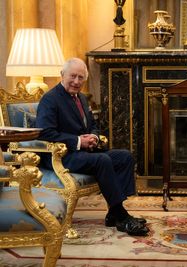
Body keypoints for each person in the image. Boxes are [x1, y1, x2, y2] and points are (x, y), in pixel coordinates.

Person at [36, 57, 149, 236]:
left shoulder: (81, 97)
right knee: (102, 159)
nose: (76, 81)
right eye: (73, 76)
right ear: (62, 75)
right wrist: (79, 141)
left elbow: (92, 126)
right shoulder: (50, 99)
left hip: (84, 152)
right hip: (62, 155)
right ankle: (121, 216)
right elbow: (46, 133)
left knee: (125, 156)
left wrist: (94, 137)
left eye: (81, 78)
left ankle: (114, 212)